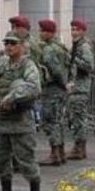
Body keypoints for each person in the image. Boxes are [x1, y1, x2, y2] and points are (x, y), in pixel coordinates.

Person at [0, 31, 43, 191]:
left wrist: (12, 97)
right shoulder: (3, 63)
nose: (9, 47)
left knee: (26, 161)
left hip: (20, 121)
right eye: (6, 43)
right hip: (1, 120)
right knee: (1, 160)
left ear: (22, 45)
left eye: (13, 43)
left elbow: (34, 88)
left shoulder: (28, 65)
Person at [36, 19, 71, 166]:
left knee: (50, 121)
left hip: (53, 89)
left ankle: (55, 153)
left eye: (42, 31)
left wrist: (63, 84)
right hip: (59, 89)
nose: (40, 33)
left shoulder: (49, 49)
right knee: (58, 121)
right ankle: (60, 153)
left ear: (49, 32)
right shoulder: (60, 47)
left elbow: (55, 70)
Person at [64, 19, 95, 160]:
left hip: (80, 88)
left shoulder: (84, 47)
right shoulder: (77, 46)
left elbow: (89, 66)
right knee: (75, 118)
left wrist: (74, 59)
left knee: (79, 118)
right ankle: (78, 147)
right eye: (72, 29)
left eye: (77, 29)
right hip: (75, 87)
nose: (74, 32)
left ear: (83, 31)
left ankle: (79, 148)